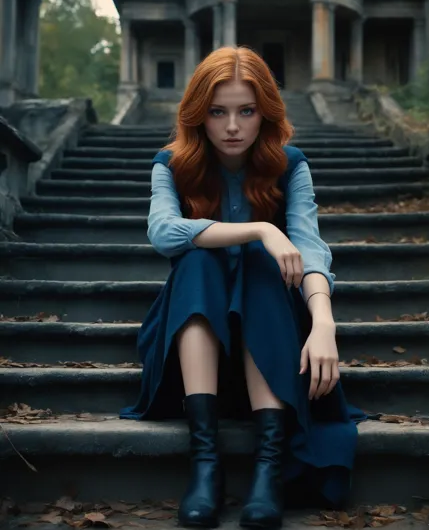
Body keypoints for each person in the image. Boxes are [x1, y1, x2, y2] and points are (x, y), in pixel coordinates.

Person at [120, 46, 366, 529]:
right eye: (218, 112)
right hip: (193, 357)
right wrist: (261, 230)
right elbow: (164, 232)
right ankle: (205, 464)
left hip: (272, 346)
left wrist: (323, 324)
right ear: (199, 115)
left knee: (258, 266)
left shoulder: (290, 164)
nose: (232, 126)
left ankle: (267, 471)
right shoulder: (172, 163)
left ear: (264, 113)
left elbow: (311, 250)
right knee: (198, 261)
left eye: (246, 111)